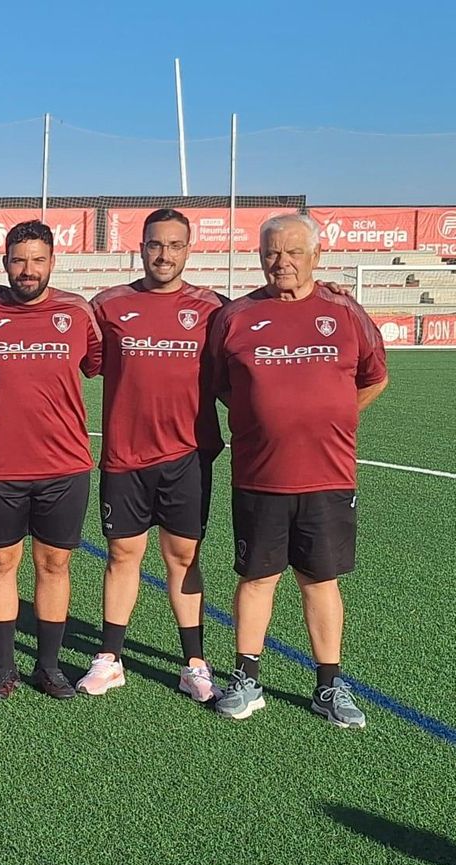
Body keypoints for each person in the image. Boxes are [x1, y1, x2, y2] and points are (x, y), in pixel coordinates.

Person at [208, 213, 388, 727]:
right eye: (271, 252)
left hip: (328, 476)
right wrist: (259, 418)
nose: (281, 262)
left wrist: (334, 417)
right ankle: (246, 678)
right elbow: (221, 384)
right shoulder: (236, 315)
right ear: (259, 255)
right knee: (256, 577)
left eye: (292, 252)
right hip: (259, 475)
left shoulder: (345, 311)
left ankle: (329, 686)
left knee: (319, 579)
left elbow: (375, 377)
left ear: (316, 255)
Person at [79, 209, 229, 702]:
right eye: (155, 245)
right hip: (124, 455)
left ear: (189, 249)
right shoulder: (107, 306)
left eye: (175, 245)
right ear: (140, 247)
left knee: (183, 556)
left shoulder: (214, 309)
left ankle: (194, 663)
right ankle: (110, 657)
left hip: (188, 454)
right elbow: (72, 349)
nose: (164, 254)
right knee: (123, 554)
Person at [0, 220, 102, 700]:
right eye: (19, 260)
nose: (28, 270)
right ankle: (4, 669)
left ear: (52, 262)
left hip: (64, 464)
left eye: (37, 260)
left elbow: (97, 363)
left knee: (54, 564)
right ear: (5, 263)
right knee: (1, 561)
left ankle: (49, 667)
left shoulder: (78, 313)